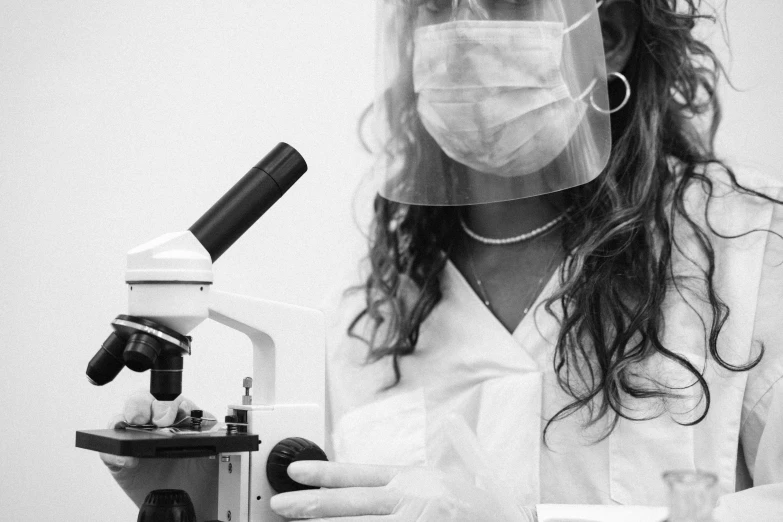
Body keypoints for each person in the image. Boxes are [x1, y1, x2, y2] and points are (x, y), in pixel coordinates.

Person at [103, 1, 783, 520]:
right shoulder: (368, 310)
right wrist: (222, 494)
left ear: (608, 35)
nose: (462, 31)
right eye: (434, 2)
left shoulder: (748, 254)